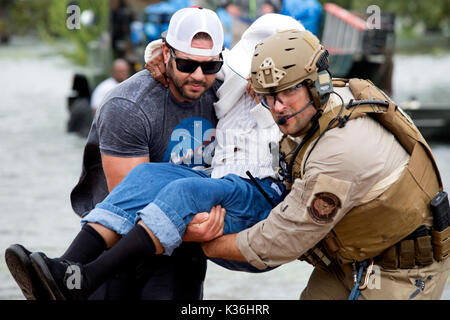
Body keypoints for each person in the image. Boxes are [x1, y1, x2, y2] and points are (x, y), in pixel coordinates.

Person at [198, 29, 450, 300]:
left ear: (316, 85)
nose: (277, 107)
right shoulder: (335, 99)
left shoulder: (339, 151)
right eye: (267, 97)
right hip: (351, 258)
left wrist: (206, 245)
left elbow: (282, 240)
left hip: (403, 272)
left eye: (286, 92)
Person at [5, 7, 223, 301]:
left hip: (180, 253)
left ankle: (63, 269)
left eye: (208, 67)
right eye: (186, 64)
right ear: (168, 54)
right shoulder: (129, 104)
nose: (198, 75)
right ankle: (63, 275)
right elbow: (131, 201)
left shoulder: (226, 90)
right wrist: (196, 226)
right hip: (114, 243)